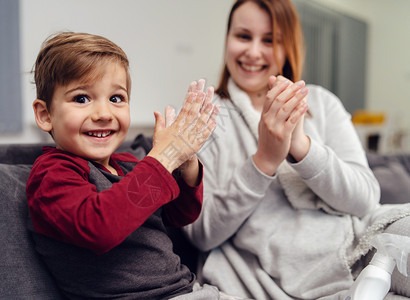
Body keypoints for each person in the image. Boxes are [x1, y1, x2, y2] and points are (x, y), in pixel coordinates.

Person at [183, 0, 410, 299]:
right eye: (242, 36)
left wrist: (301, 147)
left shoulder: (322, 103)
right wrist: (264, 160)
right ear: (227, 39)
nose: (253, 52)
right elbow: (200, 233)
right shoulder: (207, 118)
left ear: (289, 45)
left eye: (269, 40)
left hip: (358, 244)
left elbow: (366, 199)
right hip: (282, 271)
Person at [26, 31, 245, 300]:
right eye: (82, 98)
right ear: (45, 114)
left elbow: (179, 216)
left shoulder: (128, 166)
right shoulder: (52, 173)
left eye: (116, 98)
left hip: (188, 290)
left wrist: (184, 161)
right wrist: (161, 160)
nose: (104, 114)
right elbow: (100, 227)